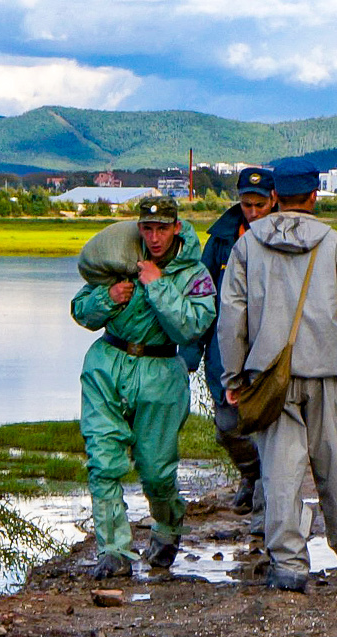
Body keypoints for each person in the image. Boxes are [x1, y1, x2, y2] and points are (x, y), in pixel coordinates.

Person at [218, 158, 337, 592]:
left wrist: (234, 378)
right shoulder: (336, 244)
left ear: (275, 197)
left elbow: (231, 319)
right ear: (313, 196)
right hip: (326, 372)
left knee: (279, 471)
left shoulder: (247, 245)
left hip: (268, 376)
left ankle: (288, 565)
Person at [71, 195, 217, 577]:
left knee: (155, 471)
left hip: (161, 372)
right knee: (103, 462)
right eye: (147, 228)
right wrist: (107, 298)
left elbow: (191, 327)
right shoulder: (119, 261)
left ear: (175, 228)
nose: (154, 237)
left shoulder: (194, 275)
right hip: (107, 365)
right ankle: (114, 551)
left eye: (161, 229)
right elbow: (80, 310)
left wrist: (158, 286)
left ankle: (168, 526)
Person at [199, 168, 275, 519]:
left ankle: (265, 515)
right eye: (247, 204)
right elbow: (201, 299)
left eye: (260, 204)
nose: (254, 211)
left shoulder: (287, 235)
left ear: (274, 199)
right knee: (229, 427)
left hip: (271, 353)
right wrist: (190, 352)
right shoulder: (220, 240)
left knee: (270, 431)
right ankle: (251, 474)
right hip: (224, 352)